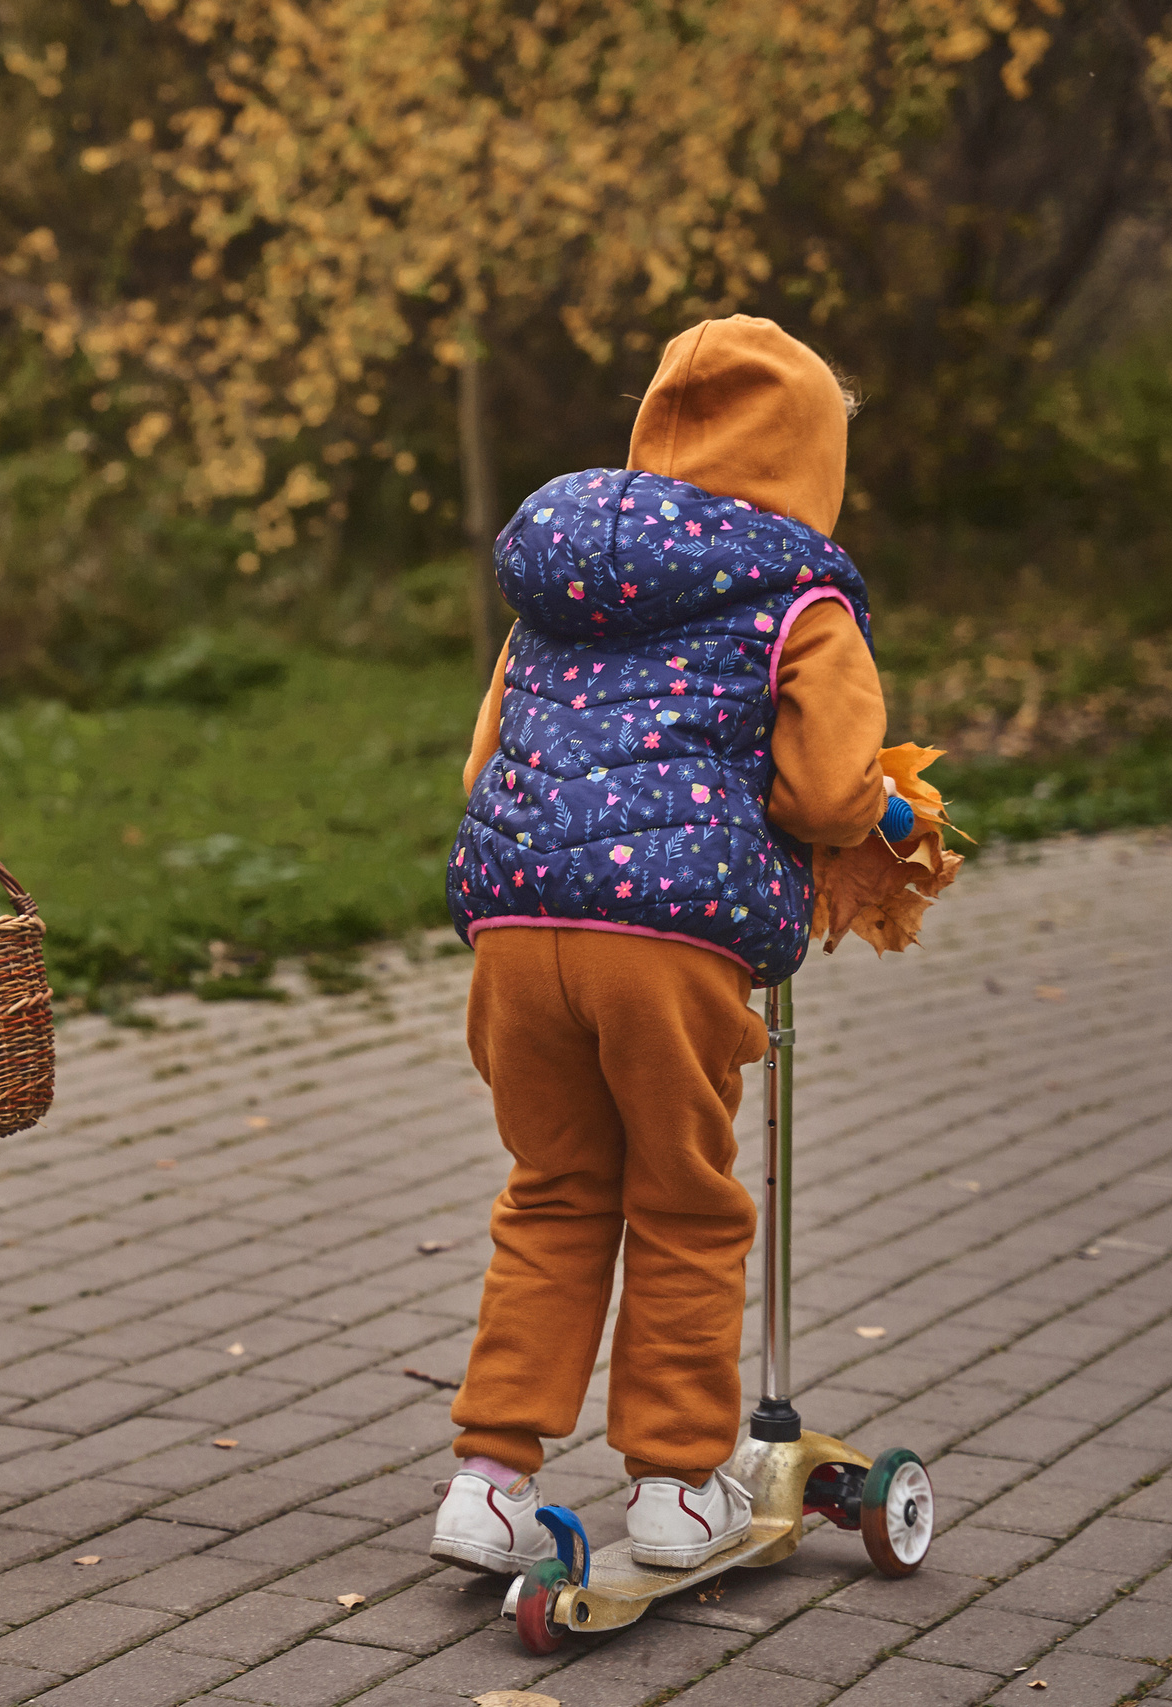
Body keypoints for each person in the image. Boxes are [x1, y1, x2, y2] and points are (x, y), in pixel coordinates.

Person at [427, 315, 891, 1575]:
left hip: (516, 929)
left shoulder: (556, 582)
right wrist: (881, 812)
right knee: (684, 1200)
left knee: (552, 1194)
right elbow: (827, 793)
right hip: (670, 942)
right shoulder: (800, 596)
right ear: (808, 459)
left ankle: (487, 1479)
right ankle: (680, 1486)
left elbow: (484, 762)